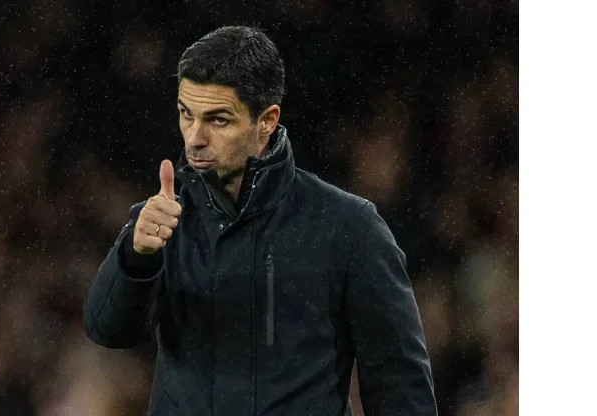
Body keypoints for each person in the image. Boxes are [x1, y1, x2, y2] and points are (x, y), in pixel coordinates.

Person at [84, 26, 437, 415]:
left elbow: (399, 386)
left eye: (218, 120)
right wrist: (137, 258)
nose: (195, 138)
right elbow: (107, 331)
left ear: (267, 120)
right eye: (187, 114)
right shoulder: (162, 221)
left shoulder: (349, 228)